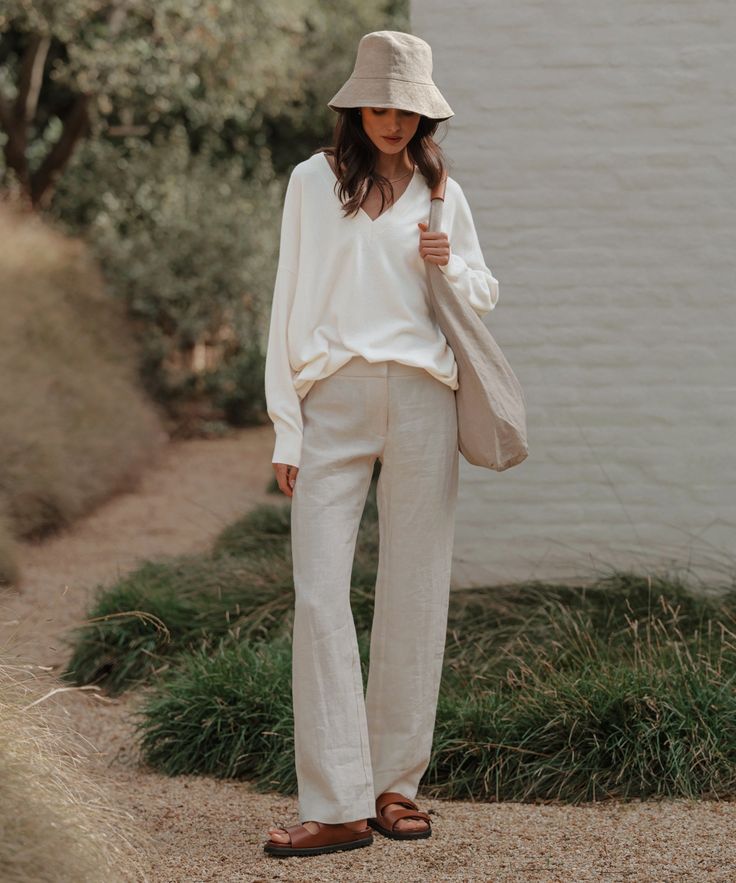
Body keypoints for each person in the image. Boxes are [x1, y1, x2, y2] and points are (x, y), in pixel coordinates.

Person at [262, 30, 499, 858]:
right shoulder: (310, 182)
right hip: (334, 395)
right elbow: (288, 297)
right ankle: (334, 803)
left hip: (425, 396)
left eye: (407, 108)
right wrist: (287, 422)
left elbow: (481, 287)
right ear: (355, 106)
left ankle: (395, 785)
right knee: (321, 591)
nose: (392, 120)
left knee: (415, 589)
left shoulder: (442, 189)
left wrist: (449, 262)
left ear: (424, 112)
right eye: (379, 104)